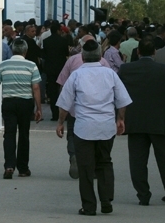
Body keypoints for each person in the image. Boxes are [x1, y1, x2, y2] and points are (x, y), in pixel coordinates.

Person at [56, 40, 132, 216]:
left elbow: (64, 103)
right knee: (105, 162)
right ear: (100, 56)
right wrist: (120, 119)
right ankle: (106, 201)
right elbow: (122, 100)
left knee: (85, 167)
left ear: (82, 57)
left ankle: (89, 206)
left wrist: (61, 122)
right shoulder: (110, 74)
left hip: (83, 128)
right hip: (106, 126)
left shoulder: (76, 75)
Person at [118, 38, 165, 206]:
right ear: (154, 52)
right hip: (160, 122)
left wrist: (120, 118)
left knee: (137, 161)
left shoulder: (126, 69)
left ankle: (143, 195)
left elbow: (119, 95)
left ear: (137, 52)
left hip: (135, 122)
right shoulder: (164, 70)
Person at [56, 34, 111, 179]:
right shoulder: (104, 63)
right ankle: (93, 166)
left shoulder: (72, 60)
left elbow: (62, 84)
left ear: (81, 47)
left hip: (76, 108)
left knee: (73, 135)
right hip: (100, 110)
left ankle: (74, 156)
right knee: (96, 139)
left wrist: (61, 117)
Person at [0, 39, 43, 179]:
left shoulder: (3, 65)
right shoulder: (32, 65)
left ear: (12, 50)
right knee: (24, 135)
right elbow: (35, 87)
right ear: (25, 51)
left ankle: (9, 166)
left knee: (9, 134)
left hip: (9, 103)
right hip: (26, 103)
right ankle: (23, 168)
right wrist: (39, 108)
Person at [42, 21, 69, 121]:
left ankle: (55, 114)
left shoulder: (46, 41)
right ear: (58, 30)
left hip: (50, 69)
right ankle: (64, 113)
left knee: (52, 92)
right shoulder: (63, 41)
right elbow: (66, 53)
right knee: (63, 91)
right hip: (61, 69)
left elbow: (44, 55)